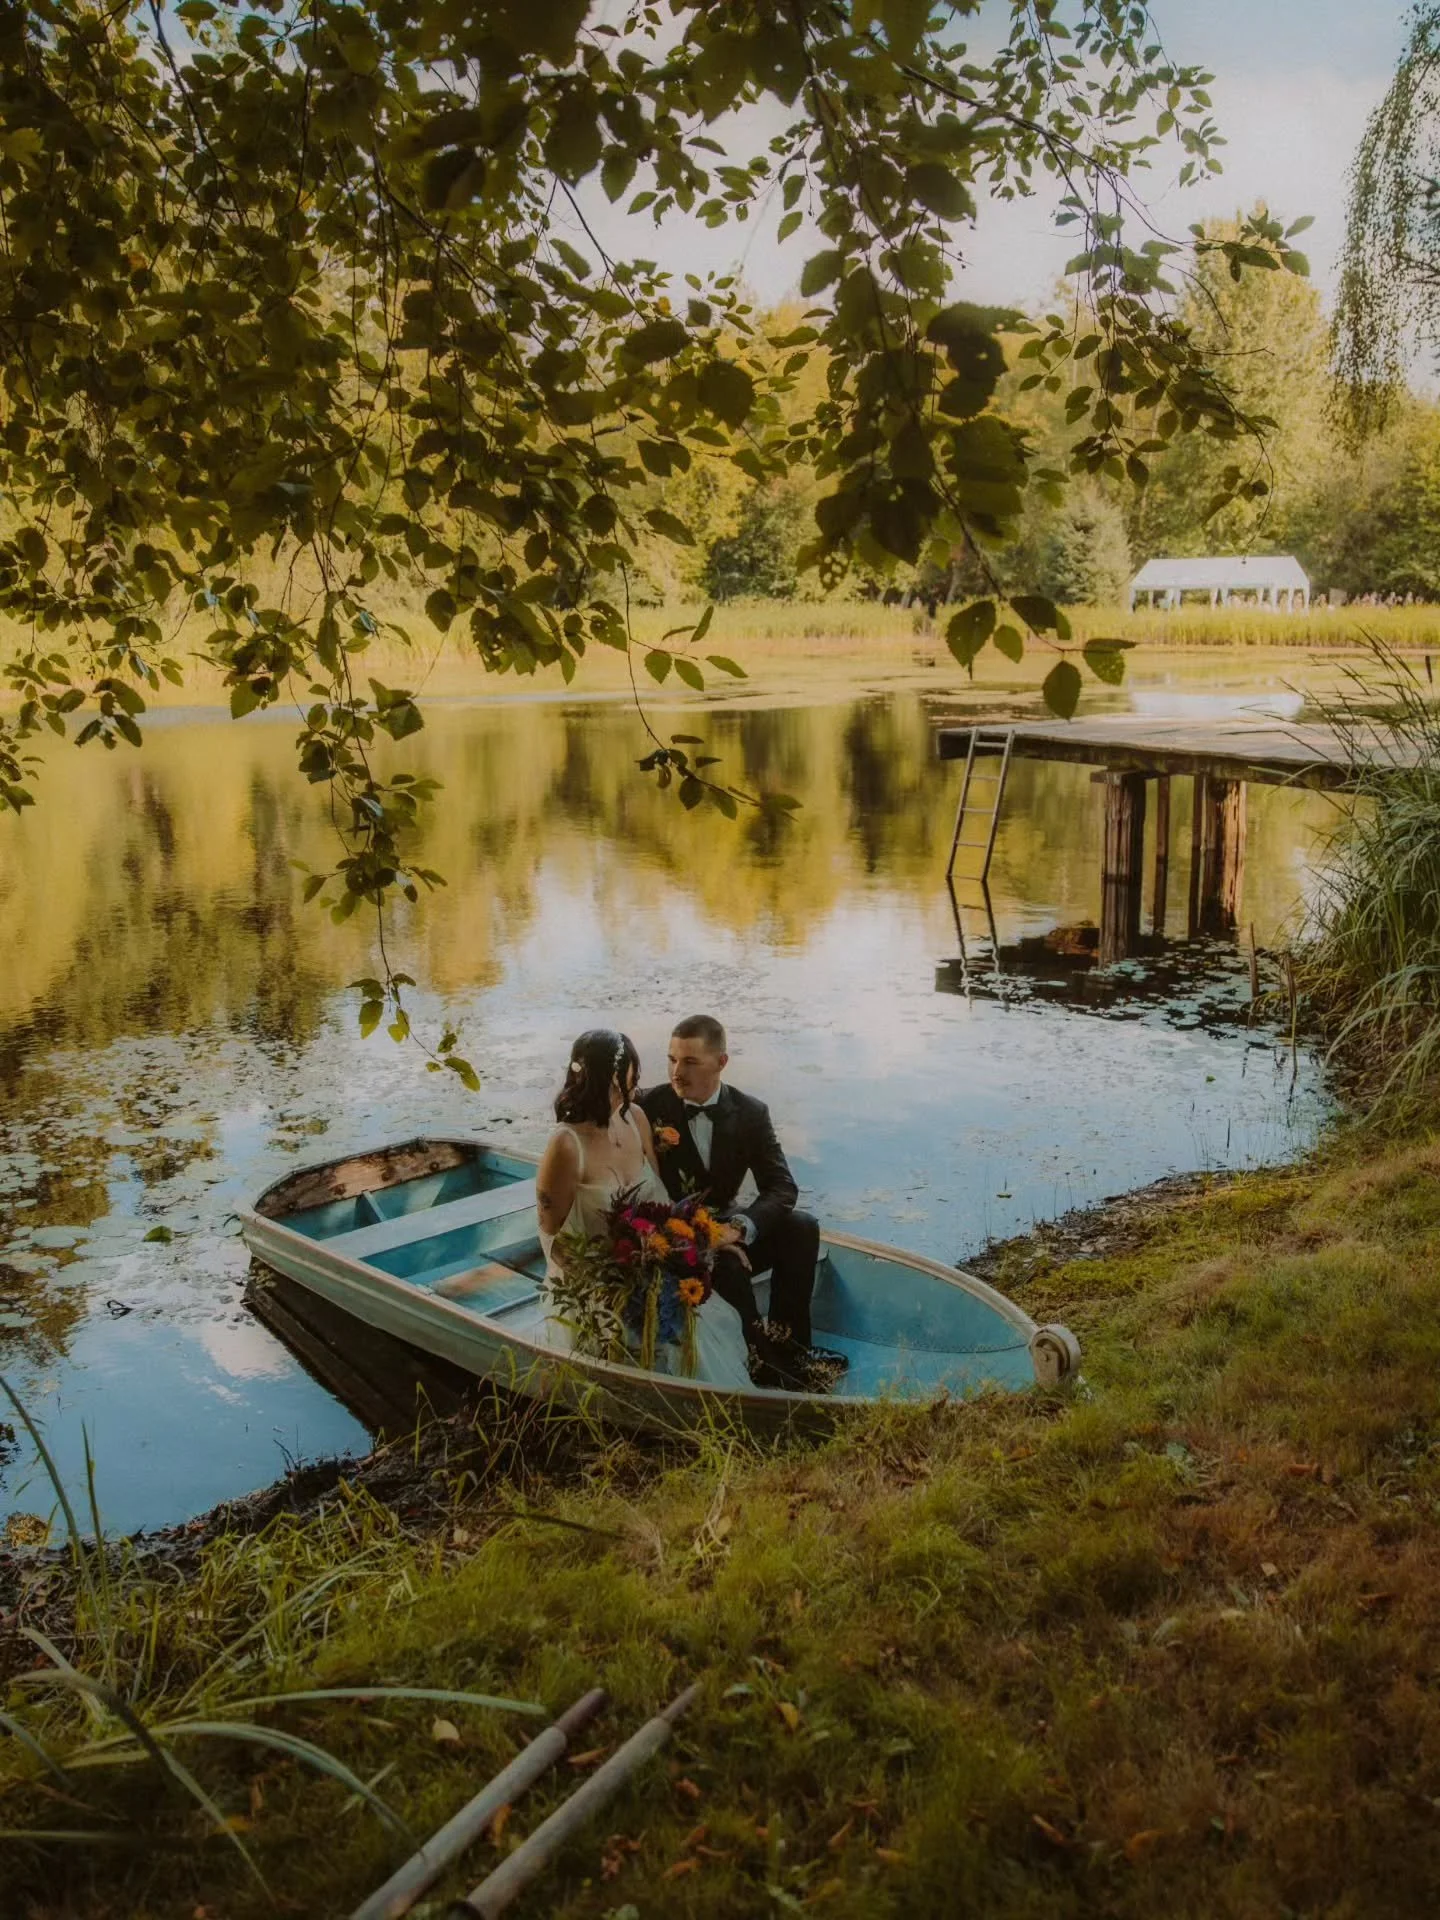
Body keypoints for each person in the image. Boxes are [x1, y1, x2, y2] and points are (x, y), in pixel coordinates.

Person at [638, 1014, 847, 1391]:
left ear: (721, 1063)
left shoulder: (751, 1113)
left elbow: (782, 1187)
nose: (676, 1072)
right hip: (674, 1239)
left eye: (689, 1061)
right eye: (671, 1059)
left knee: (801, 1227)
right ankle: (761, 1360)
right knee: (728, 1268)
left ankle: (794, 1346)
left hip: (724, 1225)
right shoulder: (648, 1107)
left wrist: (737, 1230)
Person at [533, 1028, 751, 1387]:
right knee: (640, 1334)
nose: (634, 1086)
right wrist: (617, 1282)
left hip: (649, 1269)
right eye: (627, 1078)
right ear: (606, 1077)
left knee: (696, 1328)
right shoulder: (566, 1144)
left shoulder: (635, 1118)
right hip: (594, 1283)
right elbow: (551, 1237)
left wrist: (699, 1239)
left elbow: (660, 1200)